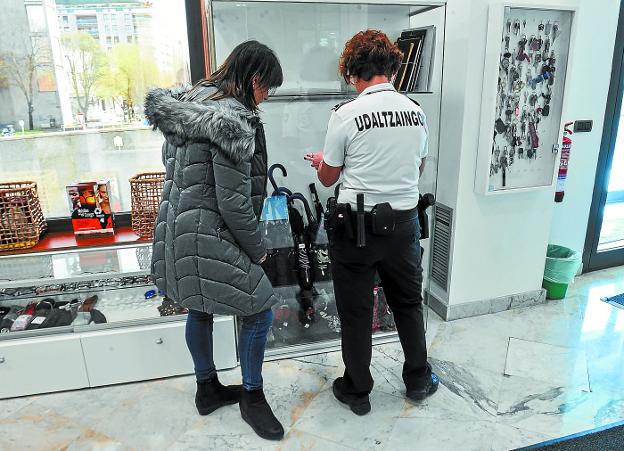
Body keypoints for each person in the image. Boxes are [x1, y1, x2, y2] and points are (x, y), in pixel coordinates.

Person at [144, 41, 285, 441]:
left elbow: (173, 168)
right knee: (259, 310)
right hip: (208, 230)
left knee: (199, 305)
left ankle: (206, 388)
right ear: (253, 78)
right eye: (267, 88)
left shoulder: (188, 103)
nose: (266, 97)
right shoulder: (232, 121)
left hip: (175, 229)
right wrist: (258, 248)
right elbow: (234, 203)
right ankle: (252, 398)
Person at [304, 30, 439, 416]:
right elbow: (417, 165)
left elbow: (329, 179)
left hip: (356, 227)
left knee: (358, 311)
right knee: (409, 303)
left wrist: (324, 164)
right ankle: (417, 379)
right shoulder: (415, 110)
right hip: (404, 224)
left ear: (352, 73)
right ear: (392, 67)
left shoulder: (345, 115)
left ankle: (358, 390)